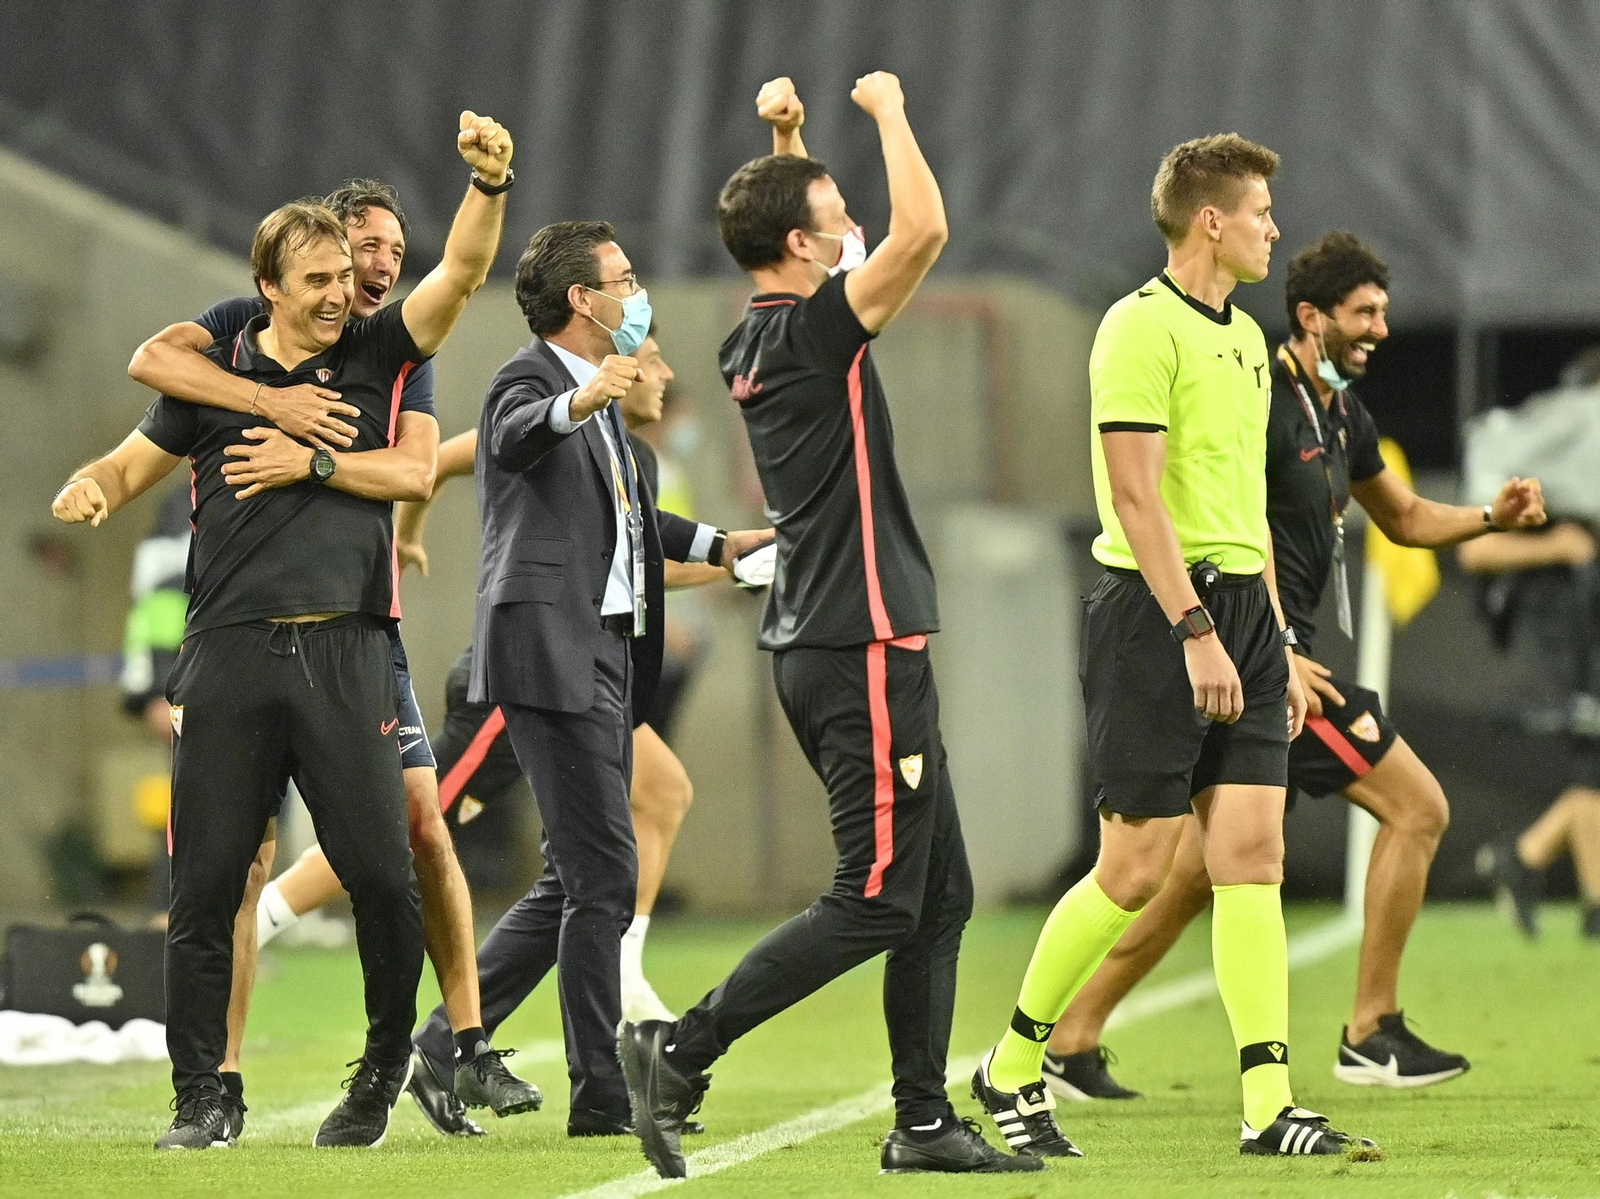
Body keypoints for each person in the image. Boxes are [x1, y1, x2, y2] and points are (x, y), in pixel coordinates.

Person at [55, 111, 513, 1151]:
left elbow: (461, 280)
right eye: (316, 276)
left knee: (385, 878)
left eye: (344, 275)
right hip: (225, 657)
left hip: (344, 652)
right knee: (206, 887)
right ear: (267, 287)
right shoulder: (212, 369)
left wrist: (489, 186)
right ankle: (202, 1096)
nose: (341, 290)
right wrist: (94, 484)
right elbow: (132, 461)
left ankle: (385, 1065)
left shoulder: (380, 354)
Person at [618, 74, 1032, 1180]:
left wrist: (787, 141)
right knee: (879, 893)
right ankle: (680, 1049)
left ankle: (921, 1117)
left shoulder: (764, 329)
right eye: (835, 210)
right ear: (801, 245)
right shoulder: (809, 333)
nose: (856, 220)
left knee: (938, 894)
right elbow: (926, 229)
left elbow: (824, 243)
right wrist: (894, 108)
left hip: (834, 637)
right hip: (857, 642)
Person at [1041, 232, 1546, 1103]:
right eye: (1365, 313)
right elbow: (1240, 519)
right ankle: (1370, 1031)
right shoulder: (1261, 389)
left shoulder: (1341, 411)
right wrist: (1277, 647)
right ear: (1312, 316)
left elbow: (1408, 516)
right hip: (1258, 653)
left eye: (1384, 312)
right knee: (1417, 806)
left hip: (1268, 654)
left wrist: (1490, 518)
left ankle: (1069, 1035)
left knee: (1194, 872)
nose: (1381, 329)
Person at [968, 134, 1378, 1160]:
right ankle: (1012, 1062)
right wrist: (1195, 630)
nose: (1272, 230)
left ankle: (1267, 1106)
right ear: (1210, 221)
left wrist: (1270, 641)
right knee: (1135, 866)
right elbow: (1137, 499)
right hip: (1157, 617)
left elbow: (1242, 505)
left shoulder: (1244, 340)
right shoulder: (1134, 329)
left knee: (1252, 859)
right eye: (1259, 212)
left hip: (1242, 614)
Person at [454, 218, 770, 1139]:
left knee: (584, 873)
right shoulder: (533, 378)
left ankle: (445, 1043)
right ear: (581, 300)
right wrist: (586, 394)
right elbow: (511, 439)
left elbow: (644, 529)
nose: (640, 295)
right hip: (546, 650)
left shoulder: (623, 439)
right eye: (624, 280)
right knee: (601, 875)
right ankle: (599, 1094)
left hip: (599, 652)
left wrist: (724, 545)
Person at [1464, 512, 1600, 938]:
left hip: (1582, 635)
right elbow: (1474, 548)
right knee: (1593, 765)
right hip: (1564, 647)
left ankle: (1524, 859)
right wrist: (1556, 545)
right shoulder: (1531, 465)